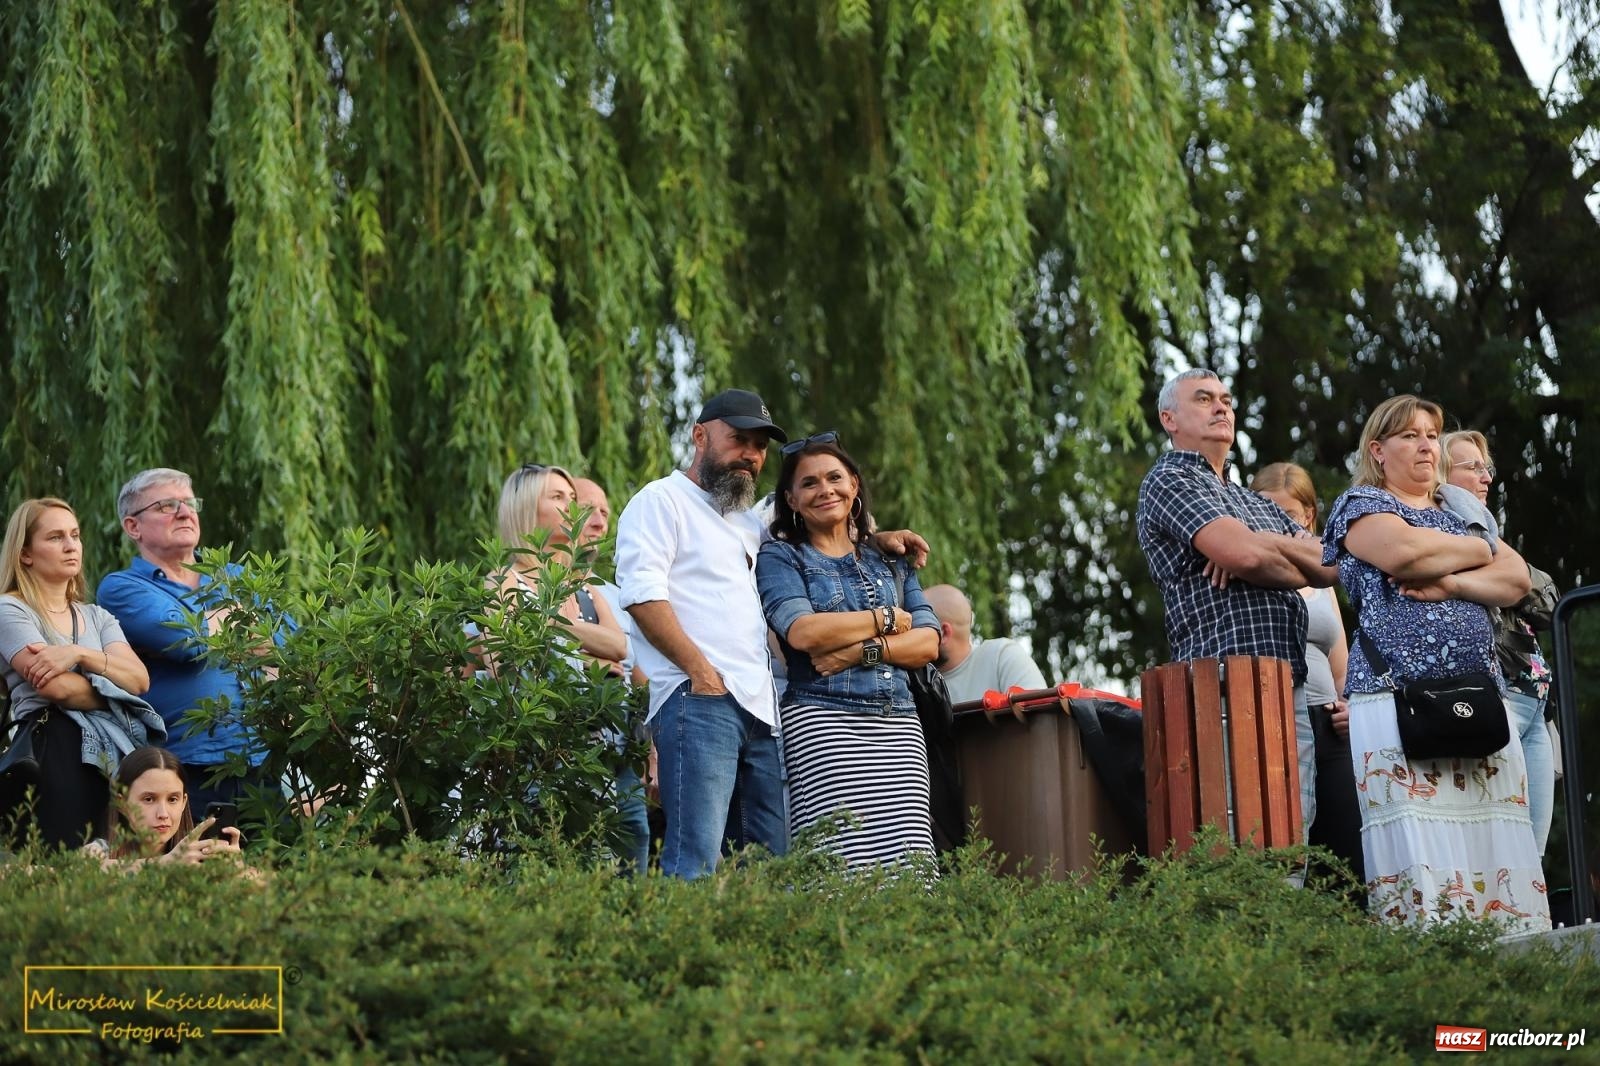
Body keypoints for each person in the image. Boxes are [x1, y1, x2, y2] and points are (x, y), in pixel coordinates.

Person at [1321, 394, 1548, 932]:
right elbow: (1404, 555)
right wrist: (1480, 550)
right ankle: (1432, 967)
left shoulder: (1461, 511)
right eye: (1410, 435)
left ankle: (1510, 959)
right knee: (1419, 842)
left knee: (1496, 838)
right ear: (1378, 451)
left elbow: (1516, 579)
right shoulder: (1359, 505)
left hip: (1479, 697)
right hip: (1396, 702)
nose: (1426, 445)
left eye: (1430, 434)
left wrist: (1451, 583)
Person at [1136, 369, 1337, 834]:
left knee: (1292, 839)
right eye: (1204, 398)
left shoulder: (1255, 503)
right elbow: (1246, 556)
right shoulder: (1169, 480)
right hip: (1223, 684)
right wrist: (1260, 552)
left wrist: (1256, 545)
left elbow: (1329, 564)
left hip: (1288, 685)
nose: (1221, 407)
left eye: (1226, 400)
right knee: (1237, 838)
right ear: (1169, 418)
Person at [615, 389, 792, 879]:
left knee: (766, 872)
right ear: (699, 436)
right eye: (739, 440)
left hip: (760, 710)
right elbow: (643, 596)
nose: (751, 455)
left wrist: (876, 539)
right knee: (693, 863)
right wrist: (701, 673)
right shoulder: (660, 501)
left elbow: (816, 533)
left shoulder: (747, 524)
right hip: (698, 701)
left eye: (760, 447)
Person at [755, 434, 941, 871]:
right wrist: (888, 618)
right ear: (791, 500)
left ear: (854, 485)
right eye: (809, 483)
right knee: (837, 863)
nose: (825, 490)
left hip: (899, 726)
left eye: (835, 478)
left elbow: (928, 642)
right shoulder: (781, 558)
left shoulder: (892, 559)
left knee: (909, 866)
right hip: (823, 723)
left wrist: (858, 653)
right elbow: (804, 633)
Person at [491, 464, 646, 871]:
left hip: (604, 753)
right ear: (527, 508)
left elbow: (620, 647)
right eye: (557, 497)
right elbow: (509, 664)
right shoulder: (503, 582)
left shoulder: (584, 586)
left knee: (613, 869)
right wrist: (590, 651)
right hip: (543, 757)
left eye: (572, 498)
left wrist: (553, 629)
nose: (572, 507)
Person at [97, 469, 274, 819]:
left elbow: (284, 642)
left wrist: (211, 628)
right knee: (197, 855)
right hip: (182, 774)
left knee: (279, 855)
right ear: (133, 526)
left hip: (263, 763)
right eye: (167, 505)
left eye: (190, 503)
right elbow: (186, 643)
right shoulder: (121, 588)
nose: (184, 512)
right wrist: (240, 622)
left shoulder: (237, 577)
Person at [0, 498, 160, 848]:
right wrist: (115, 697)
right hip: (52, 746)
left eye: (75, 535)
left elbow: (139, 680)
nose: (71, 545)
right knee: (67, 860)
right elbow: (56, 688)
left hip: (113, 751)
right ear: (25, 554)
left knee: (117, 859)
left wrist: (79, 654)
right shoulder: (10, 609)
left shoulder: (97, 617)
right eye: (55, 537)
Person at [1442, 429, 1559, 856]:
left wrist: (1508, 575)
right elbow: (1522, 587)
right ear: (1441, 474)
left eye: (1486, 467)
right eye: (1472, 467)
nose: (1486, 477)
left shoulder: (1490, 535)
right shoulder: (1443, 533)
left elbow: (1548, 602)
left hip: (1538, 707)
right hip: (1497, 698)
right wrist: (1505, 579)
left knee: (1535, 849)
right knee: (1503, 847)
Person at [1250, 462, 1363, 884]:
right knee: (1287, 847)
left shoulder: (1322, 580)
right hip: (1275, 720)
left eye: (1288, 514)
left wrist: (1350, 705)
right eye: (1266, 511)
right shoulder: (1249, 569)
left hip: (1329, 724)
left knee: (1347, 849)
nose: (1277, 522)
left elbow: (1341, 667)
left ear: (1309, 516)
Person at [92, 746, 242, 863]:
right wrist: (167, 862)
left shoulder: (199, 852)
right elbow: (87, 871)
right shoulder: (99, 851)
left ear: (184, 802)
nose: (163, 814)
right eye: (149, 799)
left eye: (172, 799)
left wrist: (237, 870)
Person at [921, 584, 1047, 705]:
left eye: (916, 628)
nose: (911, 635)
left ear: (944, 633)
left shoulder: (1001, 656)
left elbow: (1039, 714)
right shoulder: (914, 682)